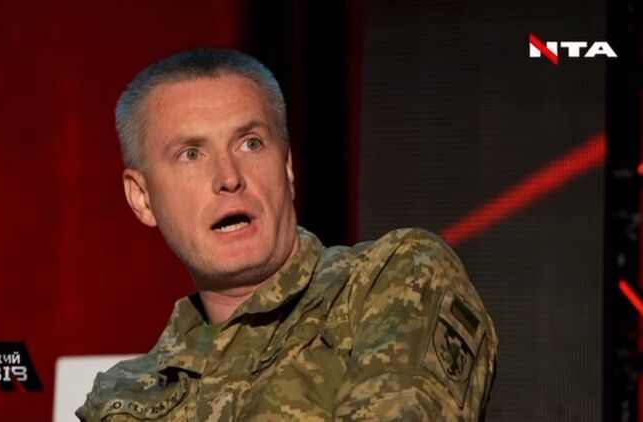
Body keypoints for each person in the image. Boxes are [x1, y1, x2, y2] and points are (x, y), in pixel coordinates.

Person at [77, 48, 497, 421]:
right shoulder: (122, 397)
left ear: (288, 166)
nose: (229, 177)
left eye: (250, 144)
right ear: (142, 198)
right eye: (191, 154)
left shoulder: (390, 278)